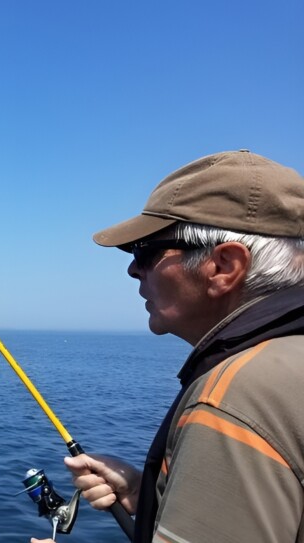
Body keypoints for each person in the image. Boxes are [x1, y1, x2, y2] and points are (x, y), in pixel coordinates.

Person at [32, 150, 304, 542]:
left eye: (147, 251)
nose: (132, 269)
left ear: (224, 266)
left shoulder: (237, 398)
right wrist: (150, 495)